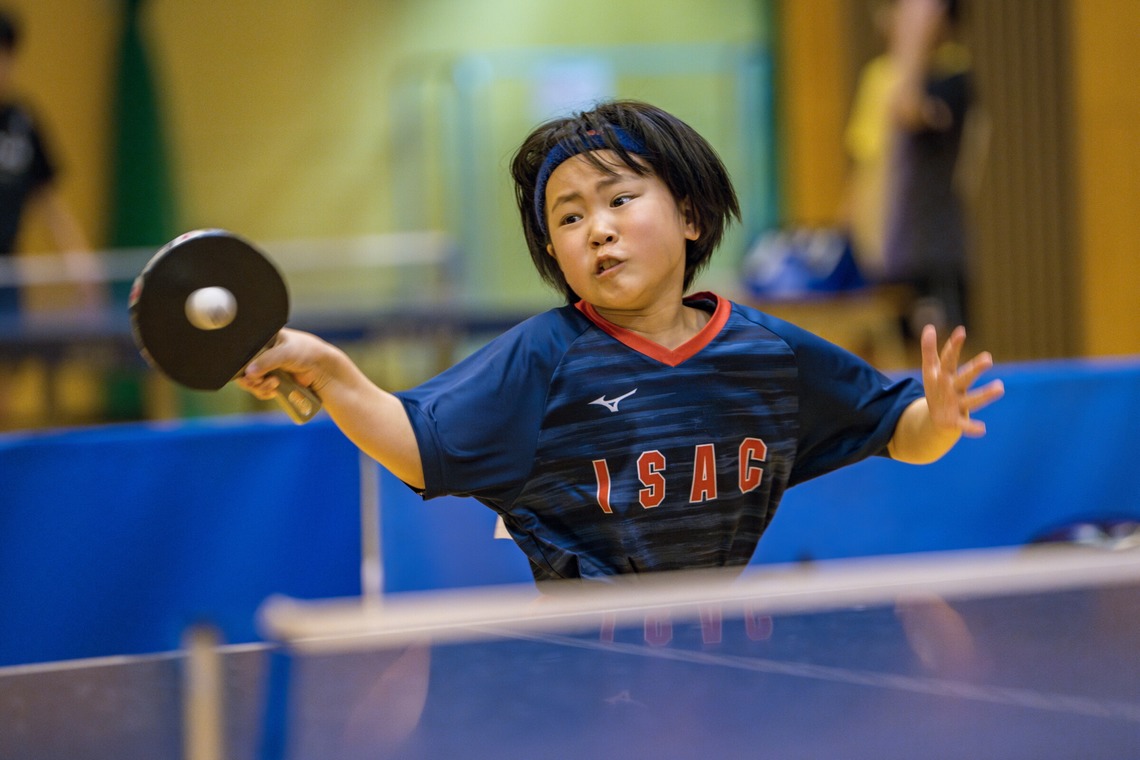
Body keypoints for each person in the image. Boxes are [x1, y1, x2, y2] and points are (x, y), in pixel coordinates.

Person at [239, 100, 1003, 585]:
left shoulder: (767, 354)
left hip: (720, 653)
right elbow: (417, 443)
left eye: (619, 199)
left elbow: (895, 431)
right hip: (589, 658)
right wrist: (335, 374)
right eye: (568, 219)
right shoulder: (545, 356)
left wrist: (935, 422)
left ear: (691, 217)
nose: (596, 227)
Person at [844, 0, 979, 338]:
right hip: (889, 251)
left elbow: (909, 110)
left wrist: (912, 44)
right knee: (890, 355)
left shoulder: (954, 75)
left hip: (934, 250)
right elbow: (864, 161)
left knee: (945, 350)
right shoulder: (878, 76)